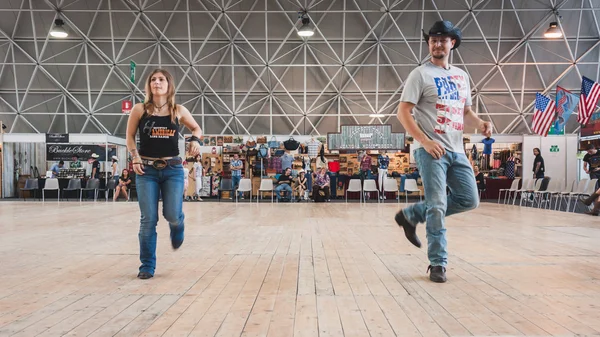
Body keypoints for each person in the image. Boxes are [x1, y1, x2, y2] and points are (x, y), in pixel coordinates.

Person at [393, 20, 492, 283]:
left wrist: (480, 123)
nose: (437, 44)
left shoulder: (461, 76)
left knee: (469, 199)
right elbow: (403, 111)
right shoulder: (420, 74)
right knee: (437, 205)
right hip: (431, 150)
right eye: (433, 40)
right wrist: (424, 142)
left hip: (457, 151)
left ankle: (411, 215)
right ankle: (438, 263)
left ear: (452, 43)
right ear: (429, 44)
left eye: (442, 39)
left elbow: (466, 112)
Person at [126, 68, 202, 280]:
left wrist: (195, 140)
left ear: (169, 85)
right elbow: (130, 137)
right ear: (149, 85)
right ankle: (147, 265)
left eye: (161, 79)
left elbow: (197, 129)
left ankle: (178, 223)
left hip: (173, 170)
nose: (156, 82)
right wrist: (134, 156)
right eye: (153, 79)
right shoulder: (140, 109)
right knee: (148, 219)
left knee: (171, 214)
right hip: (146, 170)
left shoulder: (178, 110)